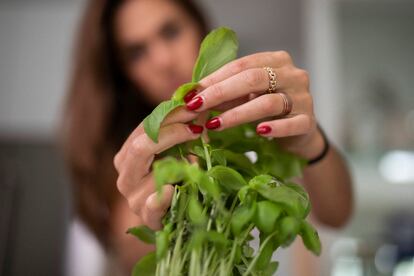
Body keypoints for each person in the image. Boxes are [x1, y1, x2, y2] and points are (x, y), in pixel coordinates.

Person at [63, 0, 353, 274]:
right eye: (136, 52)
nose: (163, 60)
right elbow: (131, 258)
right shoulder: (119, 152)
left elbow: (337, 213)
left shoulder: (257, 112)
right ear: (123, 74)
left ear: (198, 27)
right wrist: (156, 219)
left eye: (171, 31)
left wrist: (309, 140)